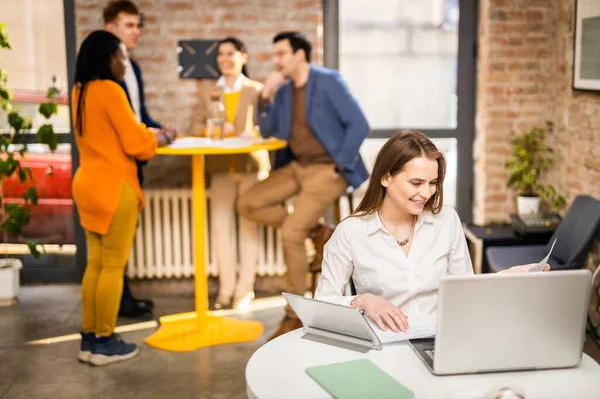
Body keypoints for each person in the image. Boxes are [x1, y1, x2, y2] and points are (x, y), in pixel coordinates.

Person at [315, 130, 549, 333]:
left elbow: (464, 289)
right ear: (386, 177)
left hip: (443, 337)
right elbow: (323, 305)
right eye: (416, 183)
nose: (426, 193)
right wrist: (362, 301)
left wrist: (506, 278)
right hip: (385, 343)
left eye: (433, 183)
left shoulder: (446, 220)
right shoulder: (350, 232)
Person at [236, 31, 370, 339]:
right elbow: (270, 129)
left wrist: (338, 162)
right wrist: (265, 96)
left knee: (289, 232)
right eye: (276, 54)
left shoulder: (327, 81)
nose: (277, 60)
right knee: (247, 203)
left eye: (282, 53)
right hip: (297, 167)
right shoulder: (283, 92)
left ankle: (294, 314)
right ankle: (319, 232)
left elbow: (359, 123)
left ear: (300, 55)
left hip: (328, 169)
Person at [73, 30, 174, 366]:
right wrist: (160, 136)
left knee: (96, 264)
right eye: (122, 57)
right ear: (109, 59)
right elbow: (135, 144)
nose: (125, 64)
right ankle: (104, 341)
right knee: (113, 267)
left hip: (87, 185)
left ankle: (89, 338)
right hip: (115, 188)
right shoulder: (110, 91)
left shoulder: (78, 91)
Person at [103, 0, 177, 318]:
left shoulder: (132, 67)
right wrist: (158, 136)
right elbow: (119, 125)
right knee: (112, 237)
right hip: (113, 164)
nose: (137, 32)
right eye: (129, 25)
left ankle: (124, 298)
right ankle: (115, 303)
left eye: (138, 25)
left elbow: (139, 116)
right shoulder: (103, 70)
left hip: (136, 160)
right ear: (111, 28)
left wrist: (162, 128)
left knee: (125, 233)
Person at [190, 37, 270, 310]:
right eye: (220, 54)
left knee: (249, 229)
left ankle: (244, 291)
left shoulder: (257, 91)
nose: (225, 59)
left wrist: (255, 133)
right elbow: (195, 126)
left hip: (251, 168)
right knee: (221, 229)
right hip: (220, 169)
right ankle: (225, 290)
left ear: (243, 57)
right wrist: (210, 131)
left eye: (230, 53)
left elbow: (269, 125)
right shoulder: (208, 92)